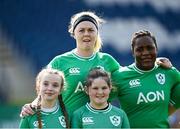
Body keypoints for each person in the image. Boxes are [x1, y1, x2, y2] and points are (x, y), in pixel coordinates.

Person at [20, 11, 172, 117]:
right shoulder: (60, 61)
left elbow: (130, 76)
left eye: (91, 30)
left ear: (96, 33)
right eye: (82, 30)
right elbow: (45, 91)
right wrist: (32, 106)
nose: (86, 34)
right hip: (69, 123)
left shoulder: (107, 60)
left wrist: (154, 63)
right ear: (74, 33)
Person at [111, 30, 180, 128]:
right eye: (140, 49)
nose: (145, 53)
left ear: (156, 49)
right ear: (133, 52)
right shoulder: (120, 76)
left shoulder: (168, 72)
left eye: (150, 48)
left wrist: (173, 69)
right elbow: (100, 102)